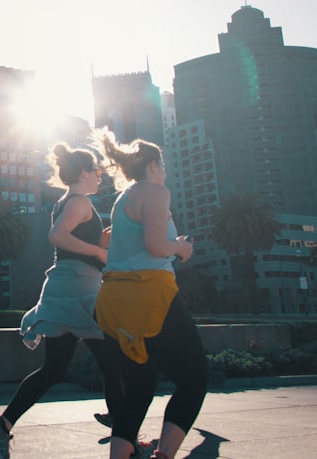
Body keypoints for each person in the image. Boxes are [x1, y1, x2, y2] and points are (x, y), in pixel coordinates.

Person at [0, 142, 124, 459]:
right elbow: (58, 236)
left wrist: (99, 242)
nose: (100, 177)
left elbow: (69, 243)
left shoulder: (67, 201)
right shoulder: (81, 201)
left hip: (65, 285)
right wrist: (100, 251)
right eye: (96, 171)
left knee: (55, 368)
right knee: (114, 360)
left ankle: (1, 424)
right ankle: (124, 433)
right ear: (84, 173)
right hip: (79, 289)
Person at [95, 131, 208, 459]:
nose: (166, 171)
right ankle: (165, 455)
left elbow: (120, 243)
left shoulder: (123, 198)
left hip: (112, 302)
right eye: (164, 165)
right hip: (149, 295)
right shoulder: (156, 192)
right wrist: (182, 248)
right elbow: (156, 246)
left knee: (139, 387)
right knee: (194, 377)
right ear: (155, 165)